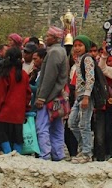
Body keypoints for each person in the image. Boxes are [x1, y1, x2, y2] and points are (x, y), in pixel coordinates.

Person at [35, 26, 69, 161]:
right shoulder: (62, 51)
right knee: (57, 128)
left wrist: (42, 97)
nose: (46, 38)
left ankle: (45, 155)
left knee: (42, 127)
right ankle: (58, 155)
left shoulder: (54, 52)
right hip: (58, 97)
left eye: (48, 36)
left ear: (55, 38)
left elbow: (49, 77)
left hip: (49, 97)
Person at [0, 46, 31, 154]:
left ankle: (8, 153)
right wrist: (26, 109)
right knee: (18, 136)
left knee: (3, 135)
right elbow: (28, 94)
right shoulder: (24, 75)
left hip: (5, 112)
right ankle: (17, 154)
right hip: (19, 112)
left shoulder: (5, 74)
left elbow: (1, 95)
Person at [69, 35, 96, 163]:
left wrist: (86, 96)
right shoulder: (79, 60)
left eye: (80, 45)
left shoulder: (87, 59)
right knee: (72, 123)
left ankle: (86, 153)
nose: (77, 48)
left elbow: (90, 79)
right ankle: (84, 147)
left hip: (86, 96)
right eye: (75, 45)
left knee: (84, 124)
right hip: (79, 97)